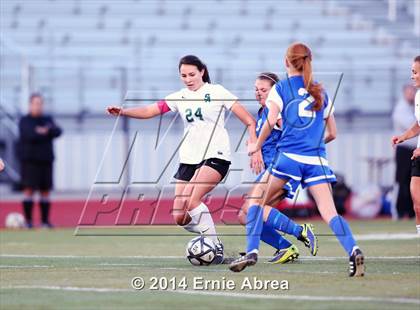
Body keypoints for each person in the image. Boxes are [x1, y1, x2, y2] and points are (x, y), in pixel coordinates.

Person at [107, 55, 262, 264]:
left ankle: (214, 247)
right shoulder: (179, 97)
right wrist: (123, 112)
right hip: (188, 159)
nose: (188, 79)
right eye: (183, 75)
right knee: (180, 215)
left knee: (192, 200)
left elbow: (250, 121)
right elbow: (149, 110)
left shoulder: (217, 92)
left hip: (215, 155)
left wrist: (255, 148)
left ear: (202, 72)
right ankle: (210, 239)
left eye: (192, 74)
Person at [229, 42, 365, 277]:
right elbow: (332, 133)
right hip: (317, 160)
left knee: (254, 203)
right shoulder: (321, 91)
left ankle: (251, 251)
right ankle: (353, 249)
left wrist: (256, 145)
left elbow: (271, 121)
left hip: (289, 158)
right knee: (330, 212)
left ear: (286, 62)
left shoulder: (281, 89)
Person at [238, 72, 309, 264]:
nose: (258, 93)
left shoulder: (277, 112)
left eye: (263, 90)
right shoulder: (264, 112)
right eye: (256, 89)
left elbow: (292, 133)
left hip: (281, 171)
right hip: (270, 171)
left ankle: (298, 232)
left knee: (253, 208)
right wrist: (255, 147)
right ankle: (286, 247)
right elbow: (260, 135)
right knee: (244, 215)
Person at [18, 93, 62, 228]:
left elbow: (57, 131)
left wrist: (45, 131)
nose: (38, 106)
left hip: (46, 160)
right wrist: (44, 132)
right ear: (30, 105)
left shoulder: (47, 119)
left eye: (40, 103)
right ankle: (28, 221)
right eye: (35, 103)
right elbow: (28, 134)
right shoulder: (25, 120)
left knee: (45, 191)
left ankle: (45, 221)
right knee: (28, 190)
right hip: (30, 161)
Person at [392, 55, 420, 235]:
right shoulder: (418, 96)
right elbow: (418, 124)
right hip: (417, 154)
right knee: (417, 202)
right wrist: (402, 137)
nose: (412, 76)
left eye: (415, 72)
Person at [392, 84, 417, 219]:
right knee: (402, 181)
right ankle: (399, 212)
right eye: (409, 92)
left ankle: (412, 211)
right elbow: (412, 126)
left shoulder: (415, 107)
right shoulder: (400, 109)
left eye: (413, 92)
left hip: (415, 149)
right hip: (404, 149)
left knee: (414, 180)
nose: (411, 95)